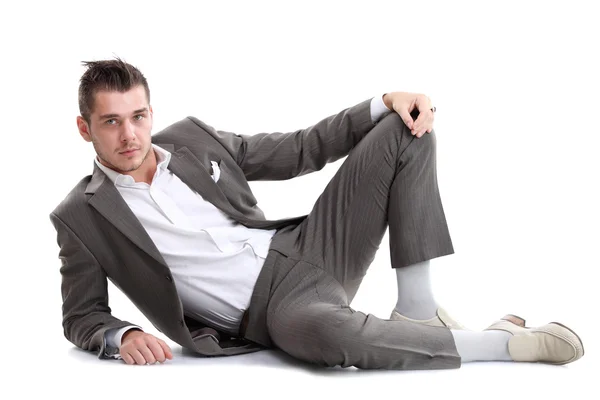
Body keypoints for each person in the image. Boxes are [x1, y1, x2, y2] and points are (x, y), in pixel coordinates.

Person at [50, 57, 584, 369]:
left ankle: (419, 309)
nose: (130, 134)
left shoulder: (190, 140)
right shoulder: (82, 214)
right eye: (112, 122)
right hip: (272, 311)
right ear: (85, 129)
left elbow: (297, 150)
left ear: (151, 112)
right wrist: (119, 337)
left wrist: (385, 100)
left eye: (138, 116)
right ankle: (502, 346)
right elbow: (82, 315)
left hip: (309, 245)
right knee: (331, 342)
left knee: (407, 128)